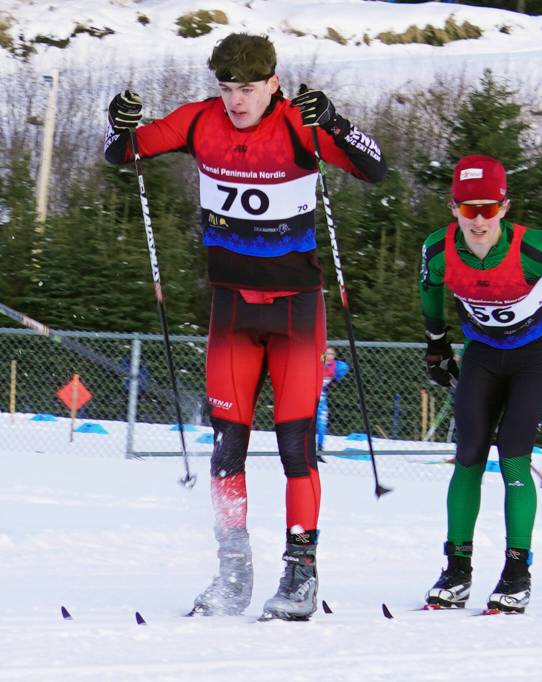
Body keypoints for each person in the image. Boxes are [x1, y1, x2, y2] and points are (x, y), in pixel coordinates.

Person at [104, 33, 387, 620]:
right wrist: (119, 124)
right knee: (226, 448)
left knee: (295, 448)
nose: (236, 101)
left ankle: (300, 575)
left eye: (248, 89)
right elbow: (124, 152)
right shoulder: (197, 121)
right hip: (231, 310)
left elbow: (374, 168)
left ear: (273, 84)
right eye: (227, 88)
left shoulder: (296, 125)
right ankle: (233, 573)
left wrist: (334, 122)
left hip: (295, 312)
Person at [419, 153, 542, 613]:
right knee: (468, 455)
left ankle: (516, 570)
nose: (479, 220)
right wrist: (436, 343)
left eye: (488, 208)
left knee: (513, 455)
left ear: (504, 207)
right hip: (483, 354)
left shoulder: (532, 247)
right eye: (469, 209)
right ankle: (457, 570)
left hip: (532, 355)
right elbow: (429, 287)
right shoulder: (439, 249)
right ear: (454, 209)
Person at [316, 347, 349, 451]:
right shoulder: (318, 361)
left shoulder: (336, 365)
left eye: (332, 354)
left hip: (321, 397)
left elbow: (345, 367)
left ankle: (320, 447)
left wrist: (334, 380)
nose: (329, 356)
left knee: (322, 422)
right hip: (307, 395)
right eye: (327, 353)